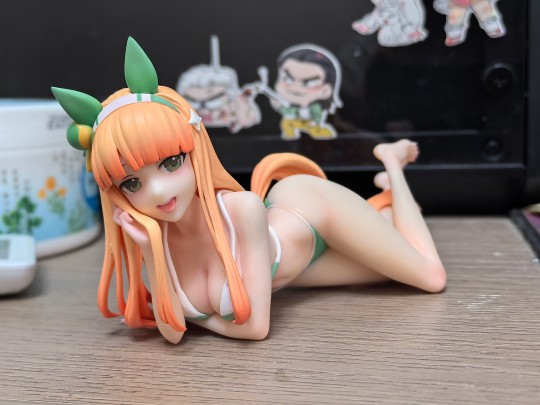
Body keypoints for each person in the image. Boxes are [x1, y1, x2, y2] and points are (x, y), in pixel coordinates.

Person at [52, 38, 446, 344]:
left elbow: (255, 328)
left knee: (429, 276)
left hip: (311, 210)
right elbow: (171, 332)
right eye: (131, 183)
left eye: (171, 163)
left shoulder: (243, 209)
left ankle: (391, 165)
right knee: (386, 273)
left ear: (195, 147)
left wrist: (198, 320)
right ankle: (382, 208)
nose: (157, 191)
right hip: (295, 272)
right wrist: (150, 251)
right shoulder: (153, 240)